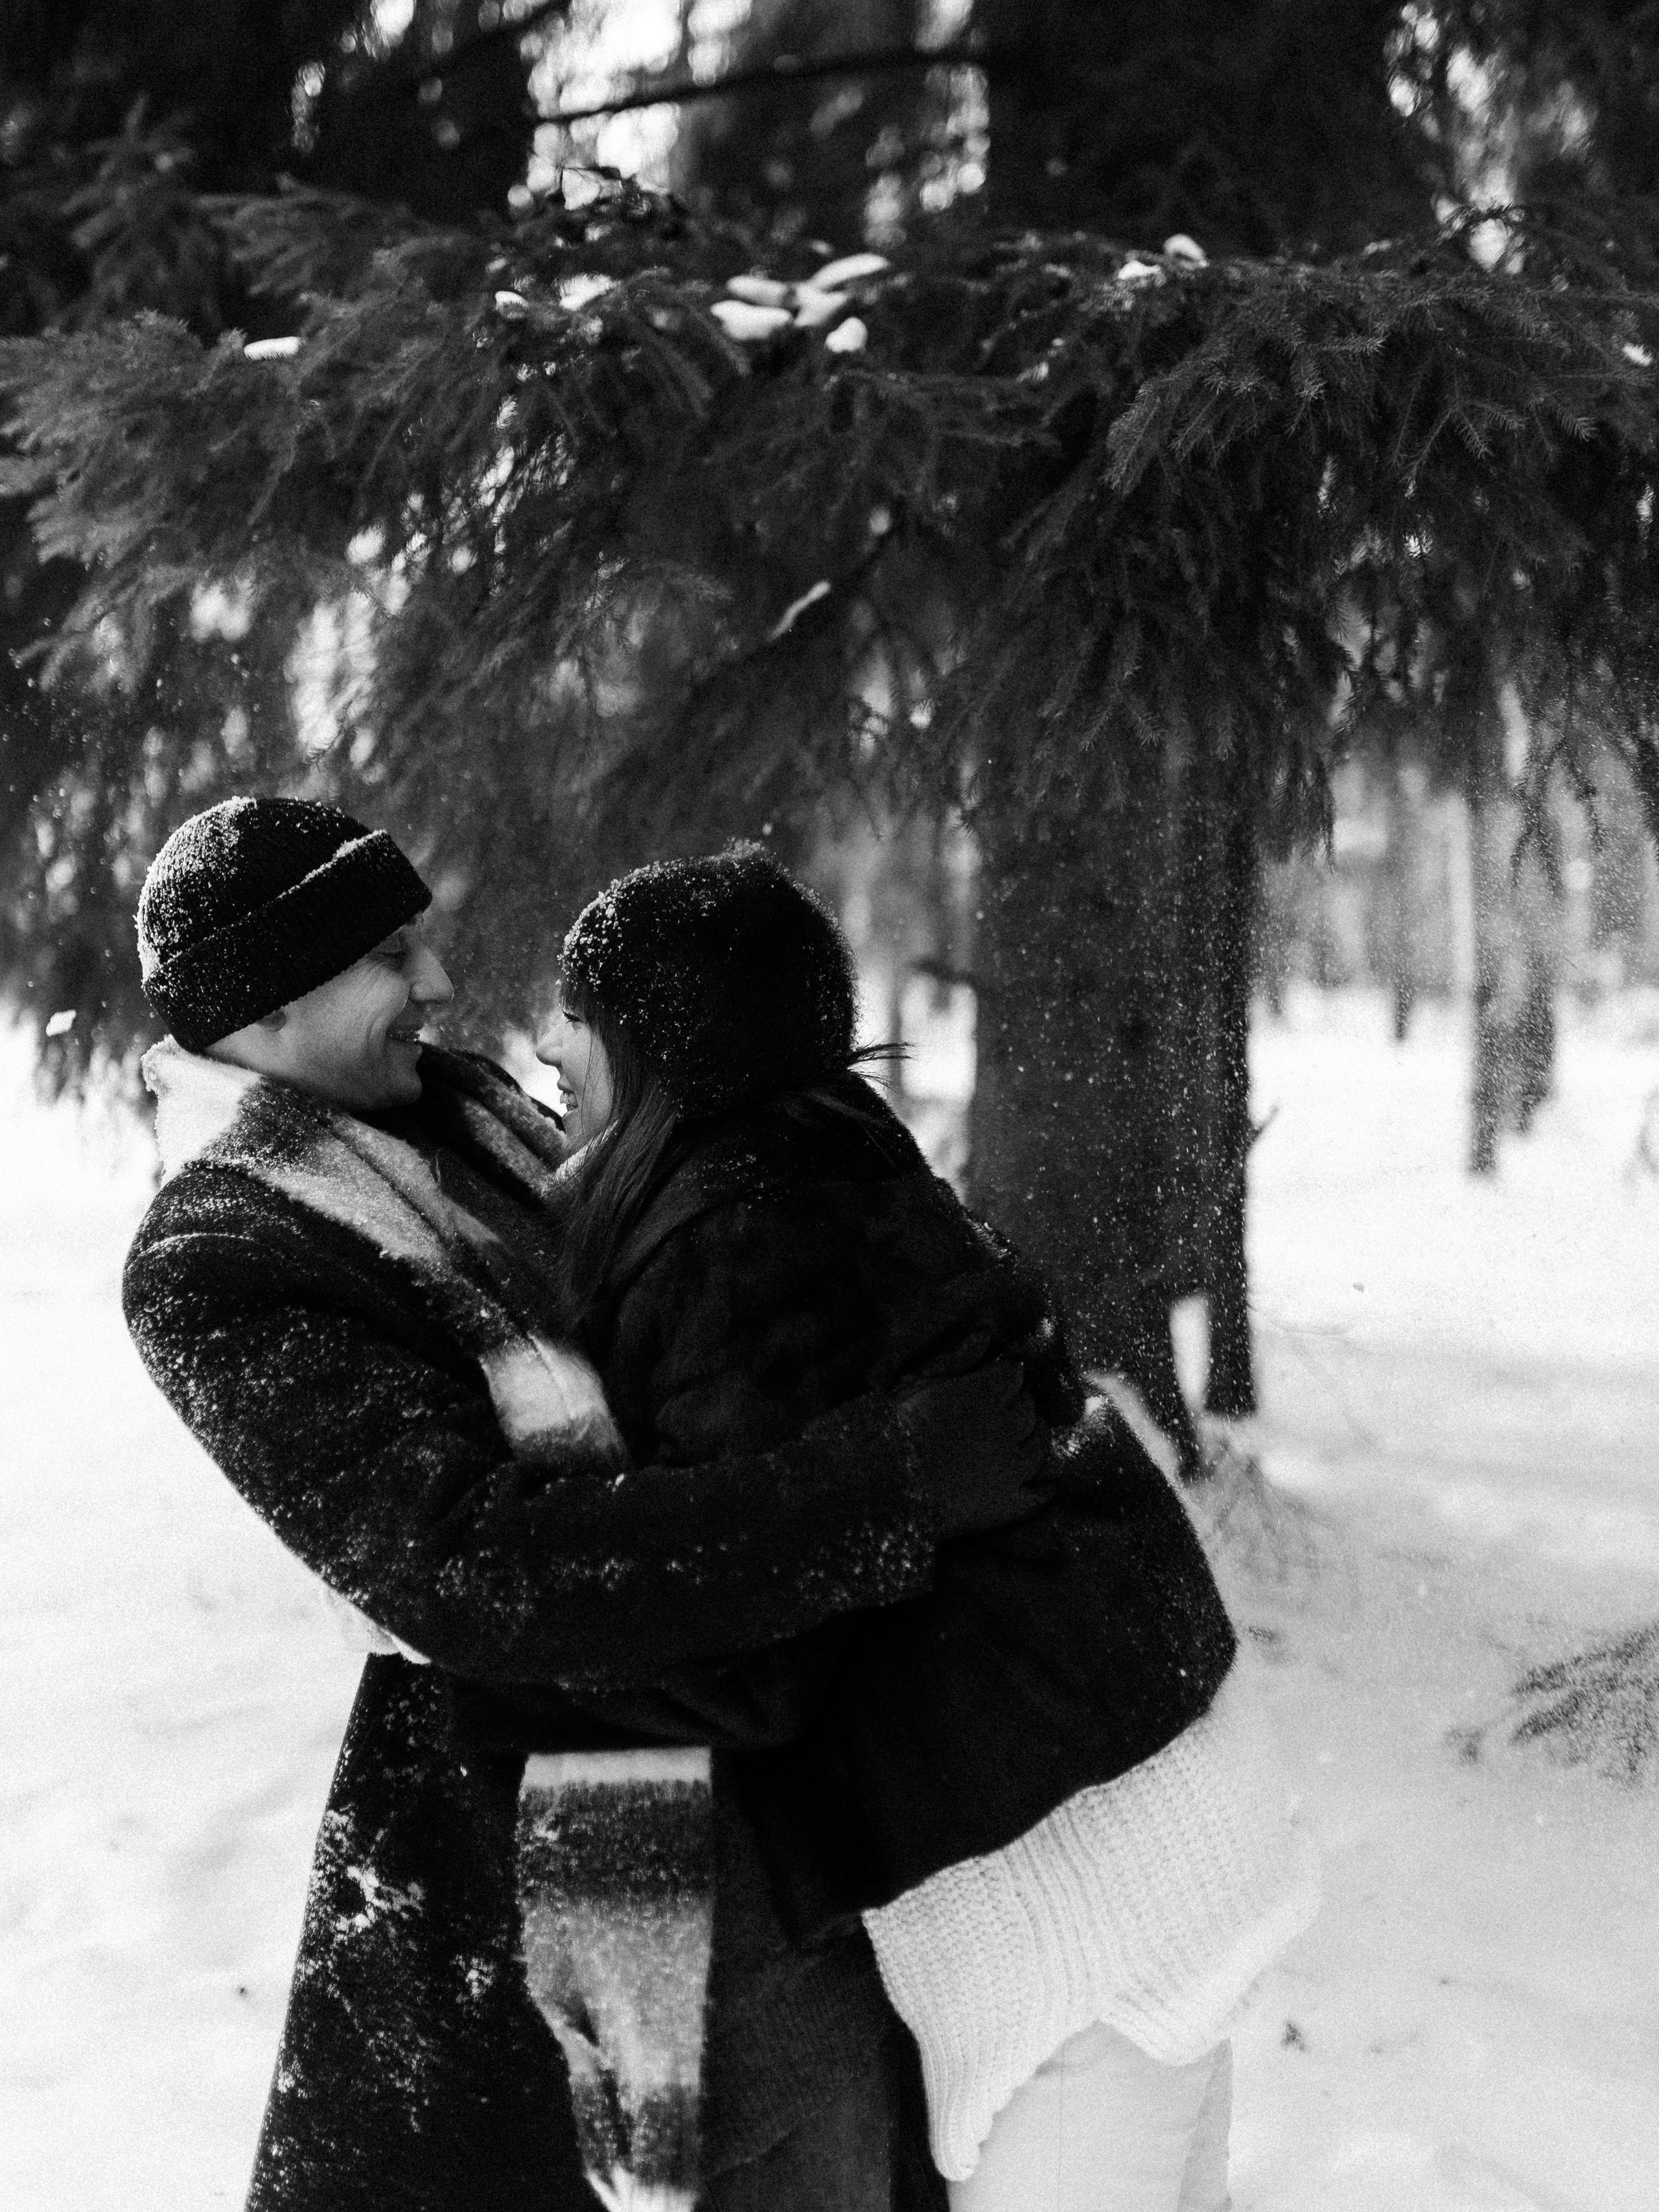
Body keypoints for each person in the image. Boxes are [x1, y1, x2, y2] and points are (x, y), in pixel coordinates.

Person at [121, 796, 1050, 2212]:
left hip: (785, 1780)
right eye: (388, 957)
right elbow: (470, 1569)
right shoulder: (221, 1255)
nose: (437, 986)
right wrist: (886, 1487)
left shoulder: (473, 1107)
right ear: (266, 1002)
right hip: (555, 1839)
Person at [489, 846, 1321, 2212]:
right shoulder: (821, 1155)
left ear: (656, 1035)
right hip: (1151, 1800)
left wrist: (524, 1609)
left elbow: (760, 1629)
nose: (547, 1042)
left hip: (1077, 1894)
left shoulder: (733, 1237)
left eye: (575, 1008)